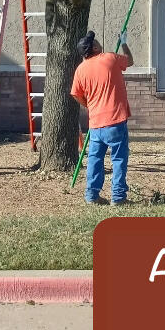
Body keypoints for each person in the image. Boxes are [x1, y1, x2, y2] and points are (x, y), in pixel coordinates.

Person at [70, 29, 133, 206]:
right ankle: (118, 197)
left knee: (94, 160)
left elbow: (76, 94)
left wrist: (89, 104)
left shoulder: (80, 70)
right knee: (119, 159)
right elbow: (130, 61)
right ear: (95, 47)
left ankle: (92, 196)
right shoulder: (110, 58)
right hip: (115, 120)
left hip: (96, 123)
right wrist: (124, 43)